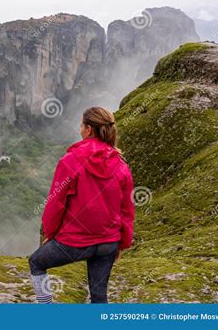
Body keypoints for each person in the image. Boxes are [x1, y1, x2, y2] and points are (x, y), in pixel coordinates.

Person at [29, 106, 135, 303]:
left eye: (81, 125)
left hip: (74, 243)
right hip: (108, 244)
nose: (80, 129)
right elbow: (127, 211)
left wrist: (50, 234)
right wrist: (121, 244)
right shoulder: (121, 165)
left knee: (36, 262)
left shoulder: (71, 161)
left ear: (88, 129)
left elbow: (55, 203)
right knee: (99, 296)